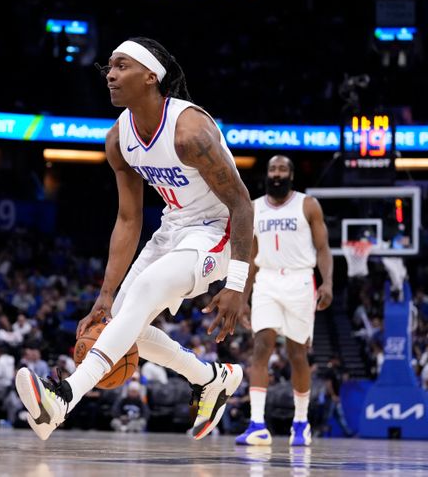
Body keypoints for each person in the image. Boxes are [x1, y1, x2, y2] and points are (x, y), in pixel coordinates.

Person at [15, 37, 253, 441]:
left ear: (150, 77)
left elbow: (244, 205)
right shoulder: (118, 139)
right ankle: (210, 378)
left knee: (147, 288)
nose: (109, 74)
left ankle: (64, 397)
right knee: (124, 324)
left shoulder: (190, 132)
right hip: (174, 227)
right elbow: (127, 219)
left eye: (121, 66)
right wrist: (105, 295)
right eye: (109, 66)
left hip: (219, 230)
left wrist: (237, 285)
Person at [235, 155, 333, 447]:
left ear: (291, 175)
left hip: (300, 280)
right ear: (267, 174)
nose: (276, 174)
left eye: (282, 169)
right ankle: (257, 425)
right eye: (272, 169)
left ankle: (301, 423)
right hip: (266, 280)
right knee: (261, 346)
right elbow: (250, 258)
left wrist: (327, 282)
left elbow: (323, 248)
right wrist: (243, 297)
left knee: (296, 353)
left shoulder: (308, 205)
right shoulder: (254, 208)